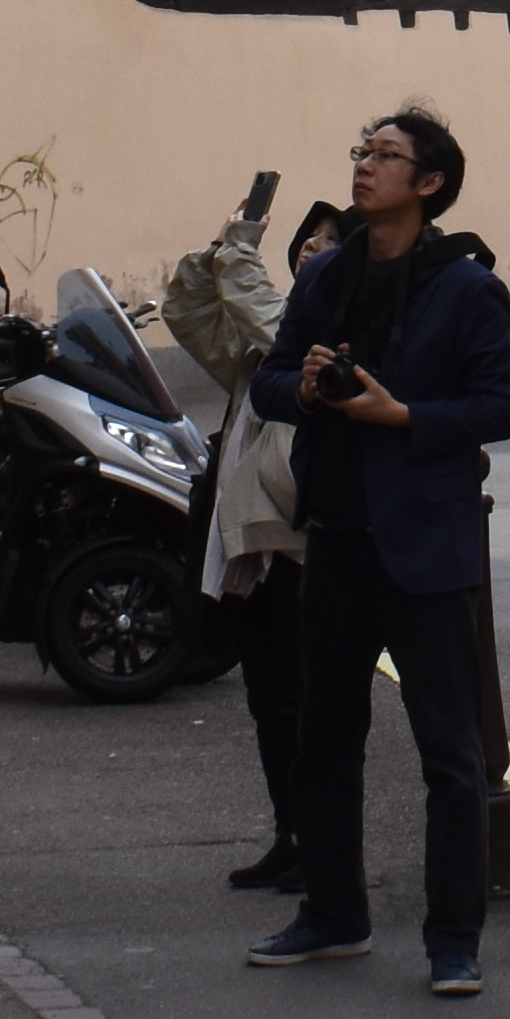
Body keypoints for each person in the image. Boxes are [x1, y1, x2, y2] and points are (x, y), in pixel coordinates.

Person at [245, 109, 510, 995]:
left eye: (385, 156)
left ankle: (453, 940)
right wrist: (315, 390)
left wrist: (400, 416)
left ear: (429, 182)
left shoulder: (466, 288)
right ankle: (332, 915)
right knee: (321, 737)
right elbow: (269, 383)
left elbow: (499, 408)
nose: (364, 168)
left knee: (449, 748)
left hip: (425, 545)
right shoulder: (325, 276)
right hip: (334, 537)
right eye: (361, 152)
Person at [160, 184, 335, 892]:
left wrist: (239, 257)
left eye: (334, 242)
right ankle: (290, 834)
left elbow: (262, 312)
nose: (317, 250)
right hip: (250, 546)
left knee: (304, 699)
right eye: (310, 240)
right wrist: (218, 251)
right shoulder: (277, 341)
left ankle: (324, 845)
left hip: (301, 545)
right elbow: (190, 316)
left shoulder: (321, 335)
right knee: (268, 697)